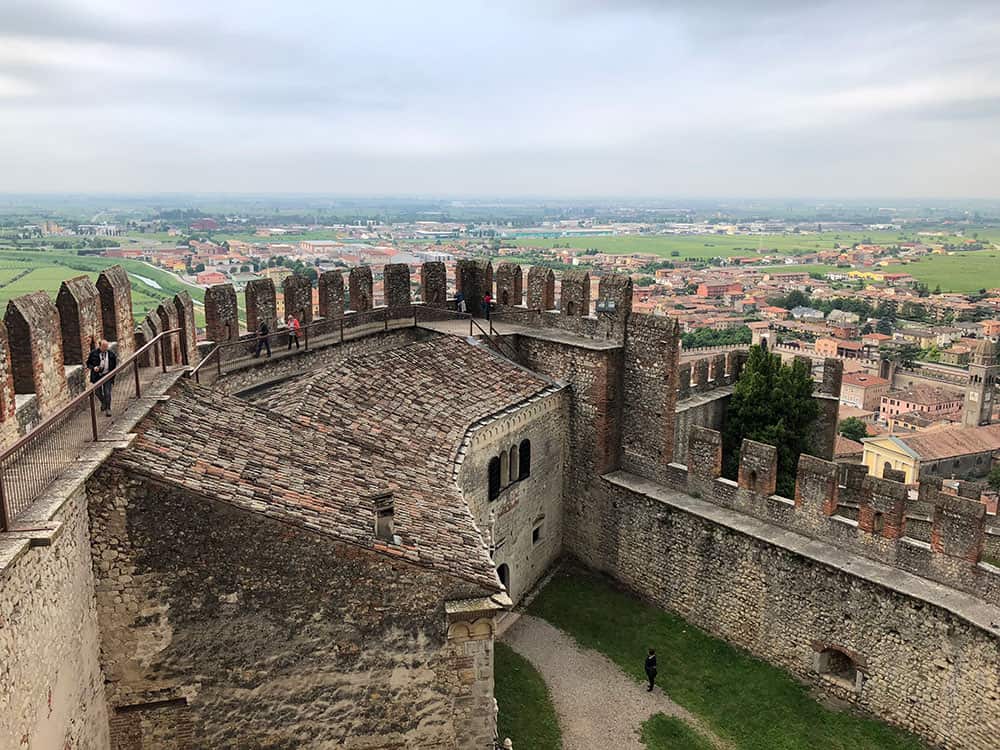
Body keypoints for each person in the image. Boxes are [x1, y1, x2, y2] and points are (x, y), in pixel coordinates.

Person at [86, 339, 117, 417]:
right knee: (97, 392)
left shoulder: (111, 354)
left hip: (107, 375)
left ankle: (108, 409)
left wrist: (112, 376)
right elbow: (88, 364)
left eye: (106, 347)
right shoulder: (93, 353)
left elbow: (114, 366)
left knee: (107, 392)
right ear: (100, 346)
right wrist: (94, 368)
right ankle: (103, 402)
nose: (105, 348)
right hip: (97, 376)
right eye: (104, 347)